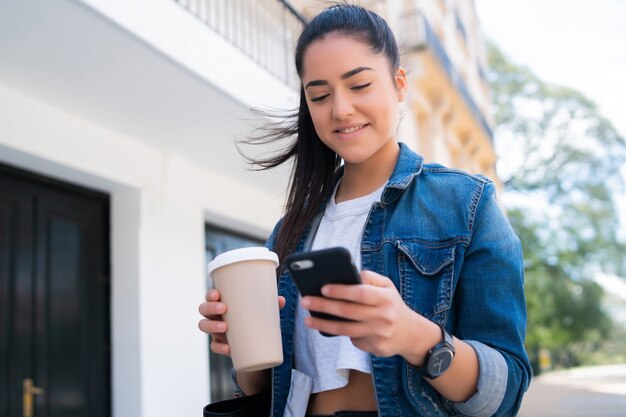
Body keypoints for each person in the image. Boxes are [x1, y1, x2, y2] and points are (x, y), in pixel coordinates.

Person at [198, 4, 531, 417]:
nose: (340, 109)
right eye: (319, 95)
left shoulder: (466, 203)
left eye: (359, 85)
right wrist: (242, 346)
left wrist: (415, 337)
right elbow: (269, 387)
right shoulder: (291, 231)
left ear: (399, 83)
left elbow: (507, 391)